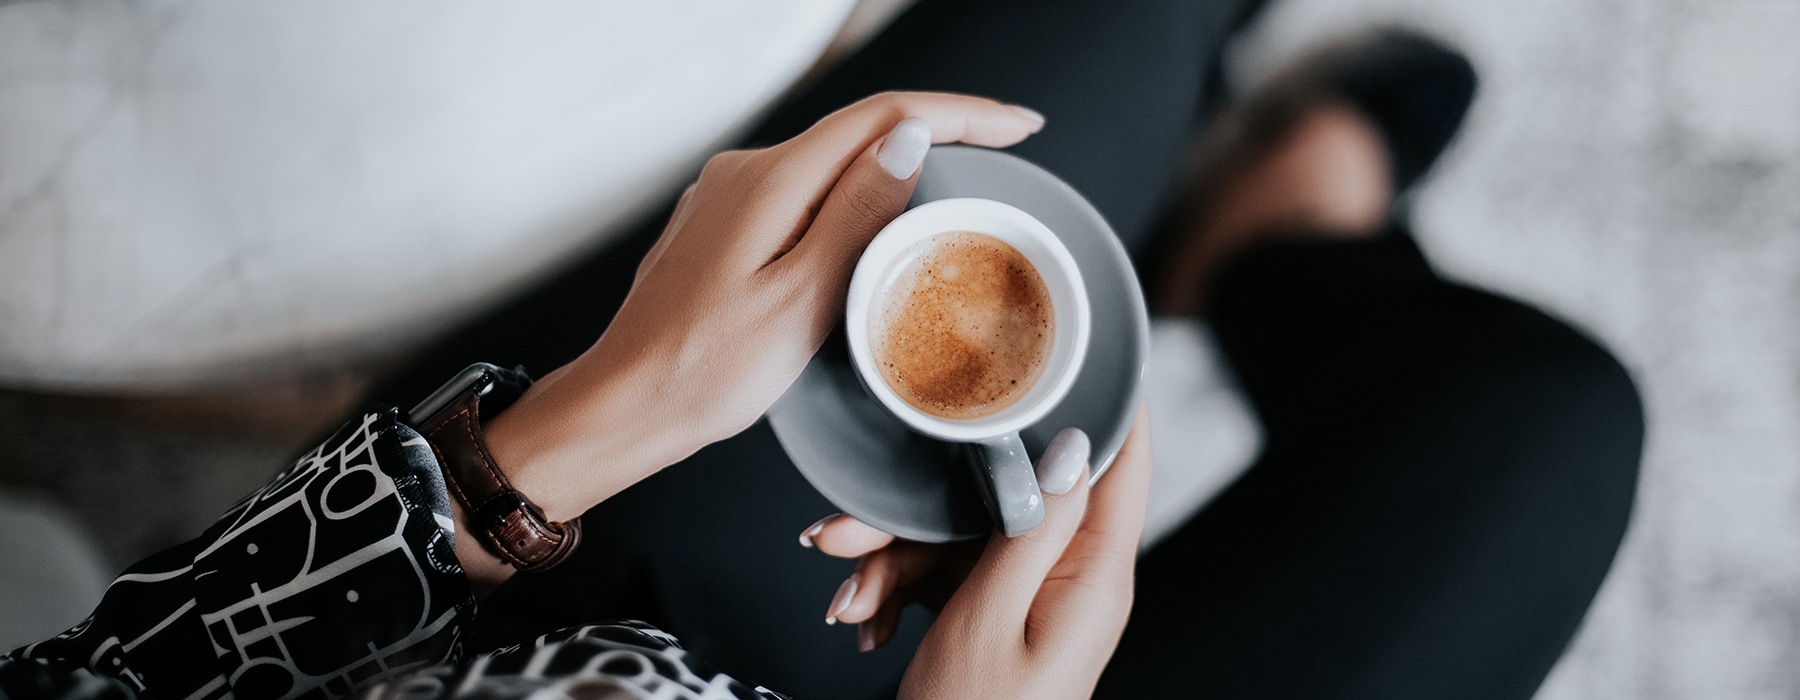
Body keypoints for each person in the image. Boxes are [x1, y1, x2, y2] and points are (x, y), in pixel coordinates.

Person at [2, 0, 1645, 698]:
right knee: (1544, 420)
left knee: (1119, 29)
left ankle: (1228, 190)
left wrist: (557, 443)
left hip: (512, 621)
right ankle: (1283, 245)